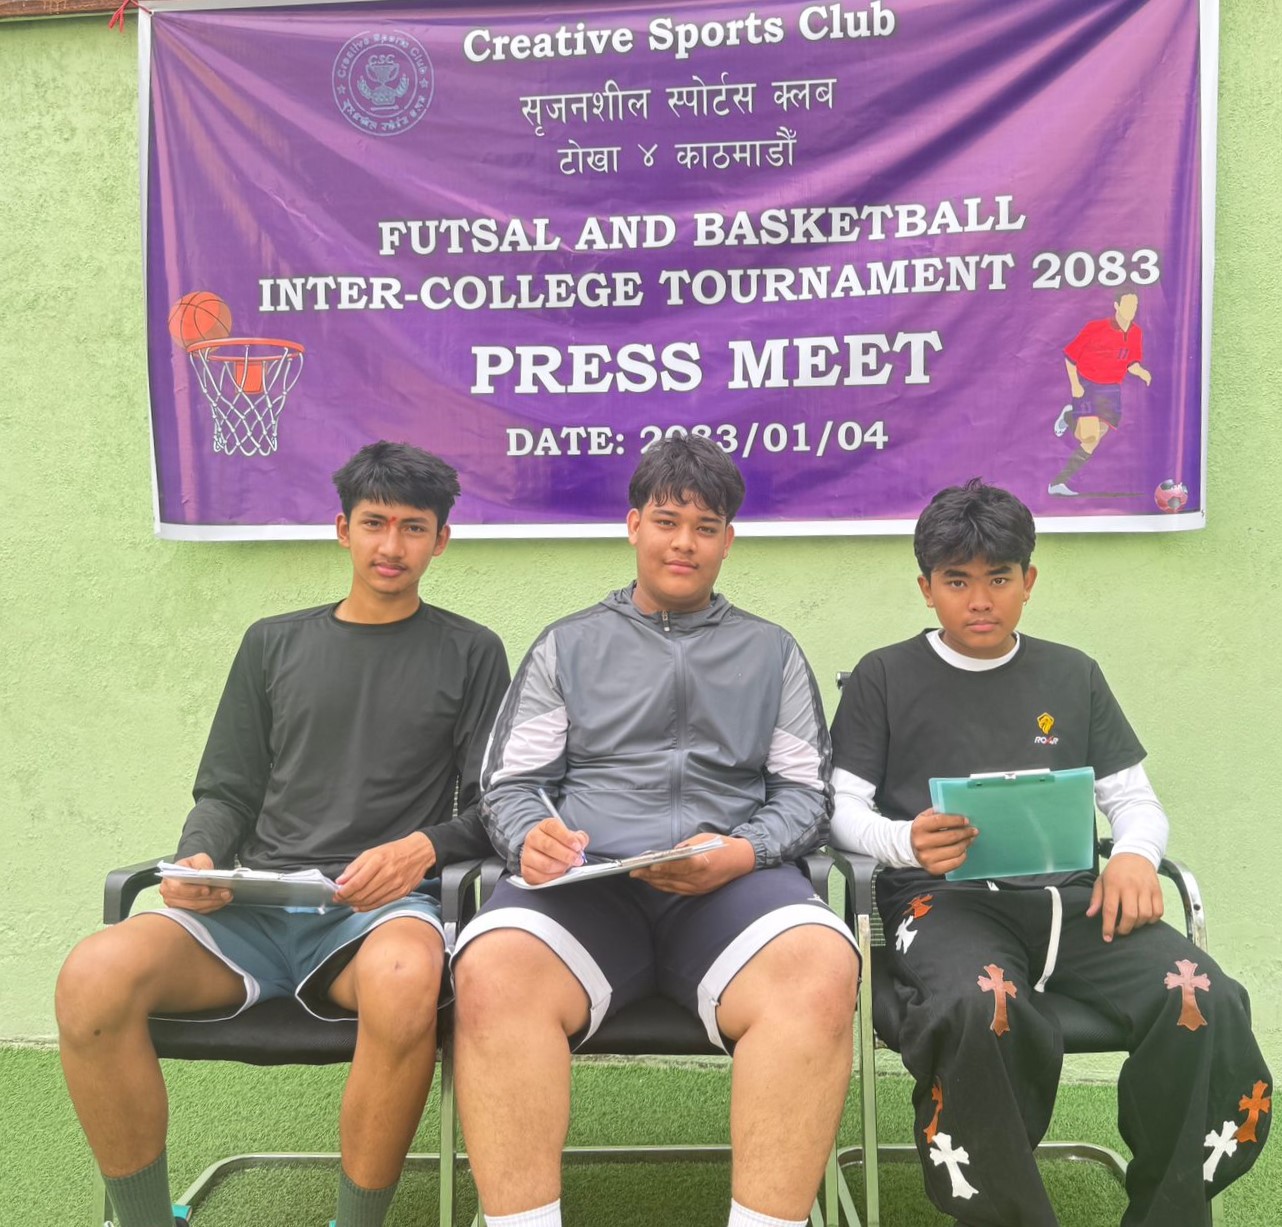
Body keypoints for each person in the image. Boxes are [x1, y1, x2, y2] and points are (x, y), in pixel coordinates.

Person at [56, 441, 511, 1227]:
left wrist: (423, 848)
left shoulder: (472, 651)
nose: (391, 545)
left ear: (440, 540)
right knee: (91, 976)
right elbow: (226, 790)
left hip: (374, 916)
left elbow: (493, 806)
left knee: (408, 977)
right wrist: (199, 856)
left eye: (413, 527)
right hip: (251, 910)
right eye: (374, 522)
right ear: (342, 529)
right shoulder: (273, 642)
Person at [829, 478, 1270, 1227]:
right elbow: (840, 809)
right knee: (980, 1003)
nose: (980, 600)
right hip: (943, 903)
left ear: (1029, 581)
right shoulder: (884, 675)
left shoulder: (1072, 673)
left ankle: (1169, 1211)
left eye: (999, 578)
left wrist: (1135, 855)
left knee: (1203, 994)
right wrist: (903, 840)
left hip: (1074, 903)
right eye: (957, 581)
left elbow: (1134, 801)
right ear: (926, 588)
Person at [452, 435, 859, 1227]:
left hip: (732, 887)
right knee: (492, 968)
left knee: (822, 963)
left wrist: (743, 850)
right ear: (633, 524)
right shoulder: (568, 644)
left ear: (728, 539)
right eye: (668, 521)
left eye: (706, 527)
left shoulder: (771, 651)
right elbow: (511, 785)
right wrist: (533, 835)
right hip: (588, 886)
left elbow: (806, 795)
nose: (684, 542)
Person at [1049, 290, 1153, 496]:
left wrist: (1141, 371)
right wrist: (1075, 385)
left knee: (1092, 441)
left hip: (1111, 391)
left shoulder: (1136, 332)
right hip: (1089, 386)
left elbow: (1131, 362)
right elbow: (1070, 357)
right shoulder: (1096, 328)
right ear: (1117, 306)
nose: (1131, 309)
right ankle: (1070, 416)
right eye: (1127, 304)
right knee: (1088, 435)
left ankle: (1058, 483)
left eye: (1134, 305)